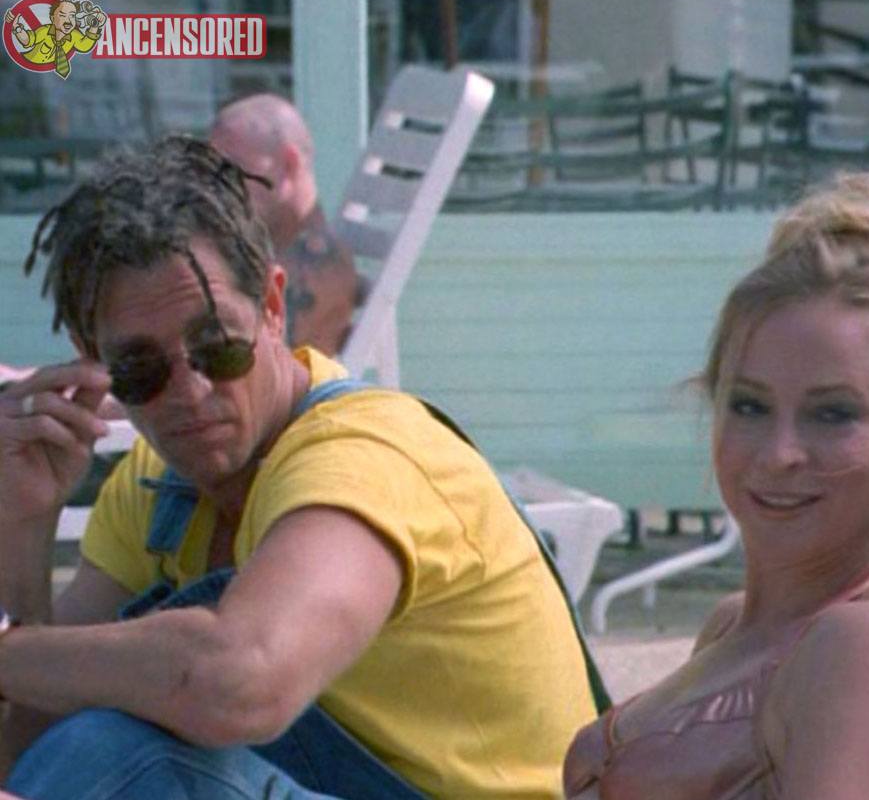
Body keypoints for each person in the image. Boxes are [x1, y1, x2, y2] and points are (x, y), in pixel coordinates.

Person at [0, 135, 598, 800]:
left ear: (273, 308)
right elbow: (26, 745)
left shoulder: (365, 455)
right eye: (141, 368)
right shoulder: (154, 488)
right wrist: (24, 520)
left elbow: (244, 682)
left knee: (119, 756)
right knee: (87, 739)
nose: (191, 391)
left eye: (216, 346)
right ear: (93, 359)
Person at [563, 172, 869, 800]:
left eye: (832, 414)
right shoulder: (736, 625)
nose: (779, 454)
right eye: (749, 406)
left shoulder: (862, 650)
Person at [209, 94, 363, 358]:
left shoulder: (314, 268)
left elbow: (284, 374)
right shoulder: (273, 253)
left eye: (235, 170)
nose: (219, 187)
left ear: (289, 164)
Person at [5, 0, 106, 79]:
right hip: (26, 69)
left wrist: (95, 25)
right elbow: (27, 40)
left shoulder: (74, 35)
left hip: (52, 77)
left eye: (72, 16)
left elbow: (84, 45)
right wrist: (17, 28)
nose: (68, 21)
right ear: (53, 19)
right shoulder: (45, 31)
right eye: (62, 16)